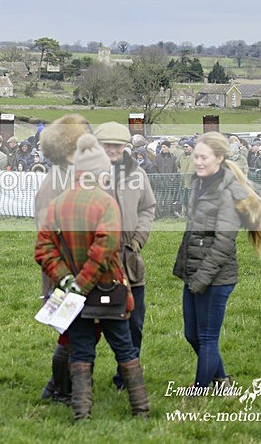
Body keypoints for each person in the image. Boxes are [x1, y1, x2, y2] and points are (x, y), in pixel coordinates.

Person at [36, 133, 144, 421]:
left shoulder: (58, 204)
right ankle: (141, 410)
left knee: (81, 353)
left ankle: (81, 415)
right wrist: (83, 284)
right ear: (100, 174)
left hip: (74, 298)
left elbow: (44, 249)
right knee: (125, 349)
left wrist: (67, 281)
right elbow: (105, 248)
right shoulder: (105, 203)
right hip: (109, 291)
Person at [173, 131, 261, 391]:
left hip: (217, 277)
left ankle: (199, 392)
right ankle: (222, 381)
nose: (198, 162)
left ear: (219, 158)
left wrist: (201, 279)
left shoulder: (228, 192)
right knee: (191, 334)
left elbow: (223, 243)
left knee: (207, 337)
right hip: (195, 270)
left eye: (204, 157)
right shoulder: (199, 184)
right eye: (196, 156)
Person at [93, 122, 155, 406]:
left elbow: (147, 208)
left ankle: (126, 377)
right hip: (94, 262)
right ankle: (74, 378)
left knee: (135, 323)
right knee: (86, 326)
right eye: (107, 145)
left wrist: (138, 240)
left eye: (117, 145)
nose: (112, 150)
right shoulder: (84, 176)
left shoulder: (138, 174)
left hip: (130, 261)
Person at [35, 114, 92, 405]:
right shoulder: (59, 180)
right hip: (65, 268)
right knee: (72, 332)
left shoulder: (72, 175)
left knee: (80, 330)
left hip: (76, 266)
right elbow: (49, 231)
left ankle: (60, 386)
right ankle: (62, 390)